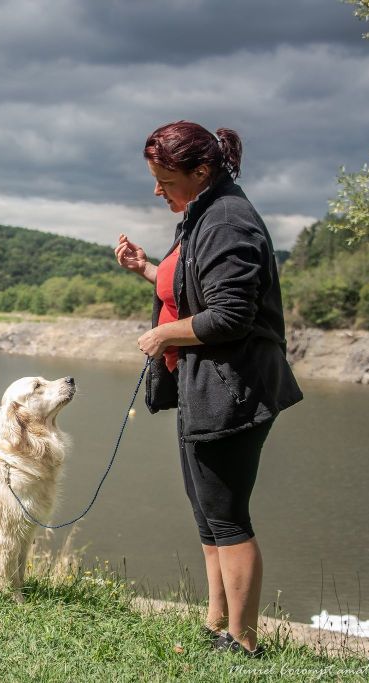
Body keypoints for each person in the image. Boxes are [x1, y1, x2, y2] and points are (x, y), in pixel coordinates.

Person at [114, 120, 303, 657]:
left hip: (234, 388)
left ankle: (242, 643)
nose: (157, 190)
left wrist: (162, 333)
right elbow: (193, 284)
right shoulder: (201, 212)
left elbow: (231, 315)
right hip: (204, 386)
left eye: (165, 180)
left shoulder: (226, 220)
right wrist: (146, 268)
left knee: (228, 517)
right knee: (206, 512)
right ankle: (216, 622)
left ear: (201, 171)